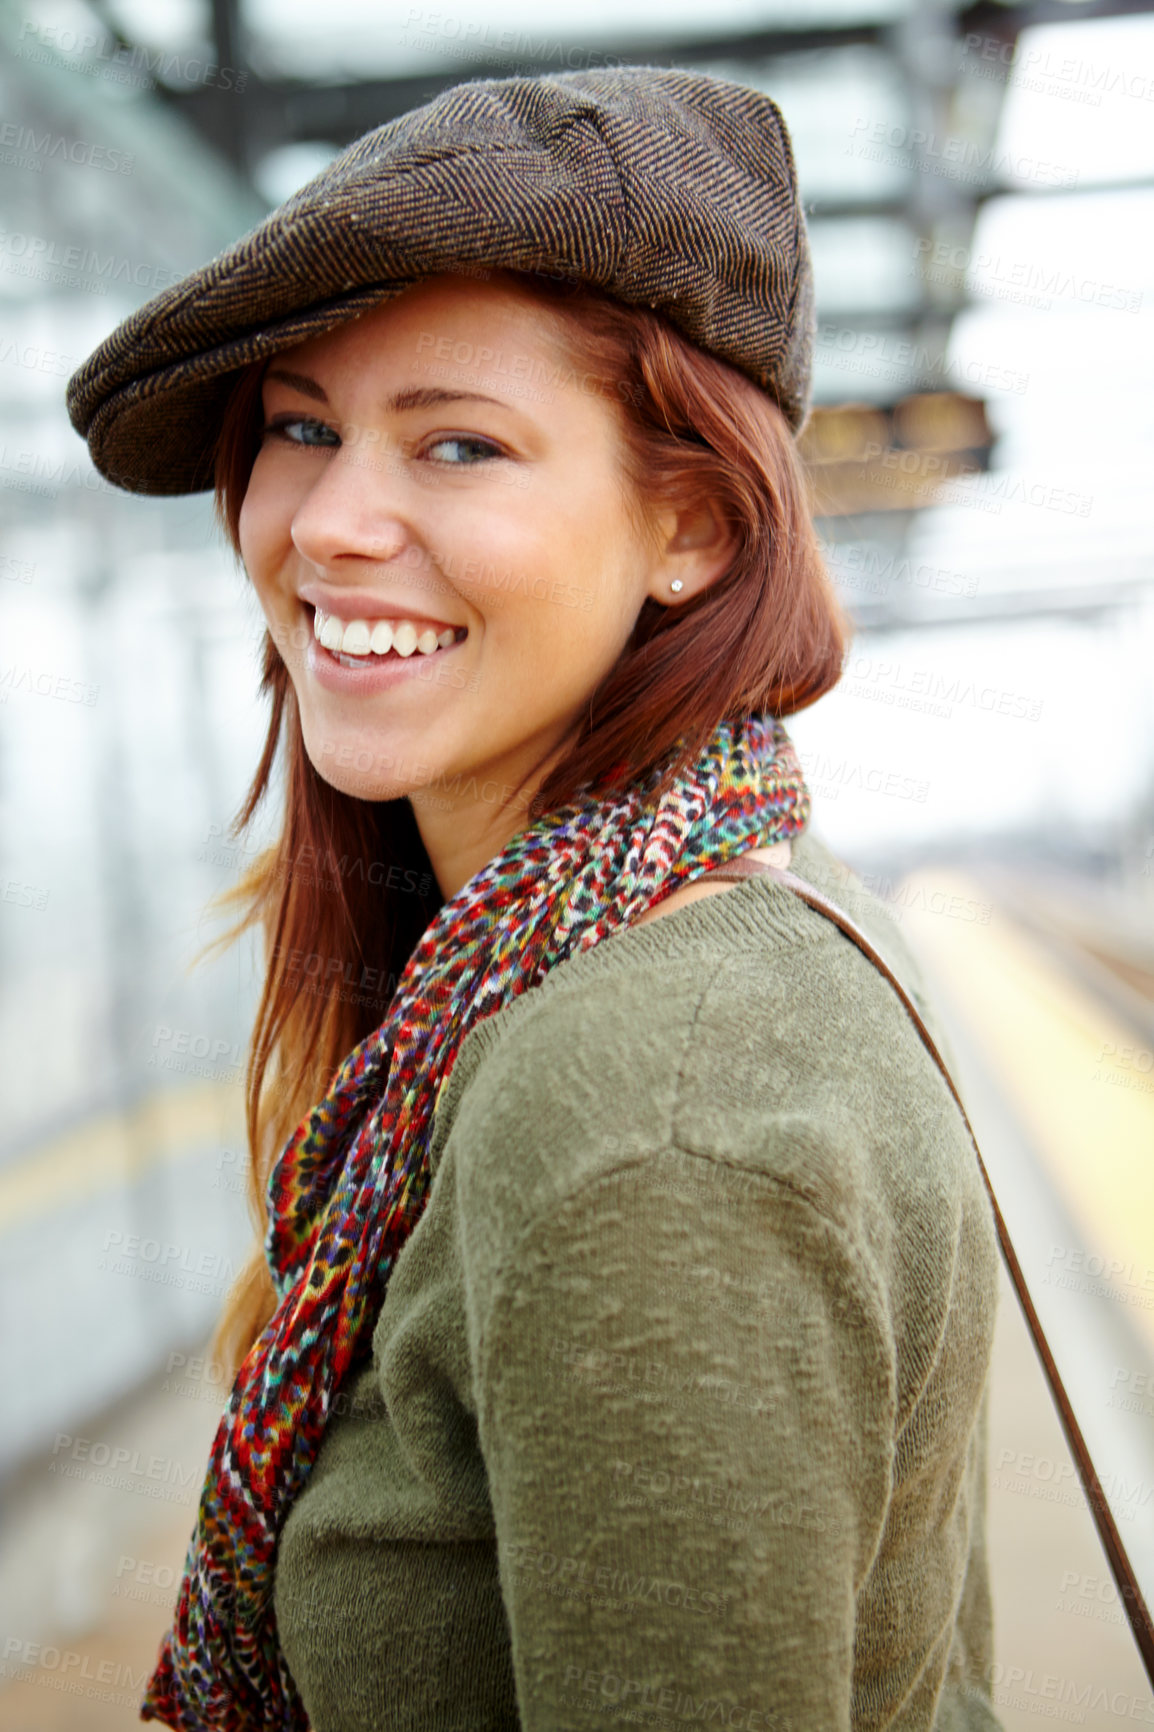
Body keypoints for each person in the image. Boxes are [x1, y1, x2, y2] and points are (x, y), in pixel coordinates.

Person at [66, 64, 1002, 1732]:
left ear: (694, 527)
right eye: (299, 426)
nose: (334, 524)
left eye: (459, 445)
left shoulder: (650, 1103)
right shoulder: (669, 917)